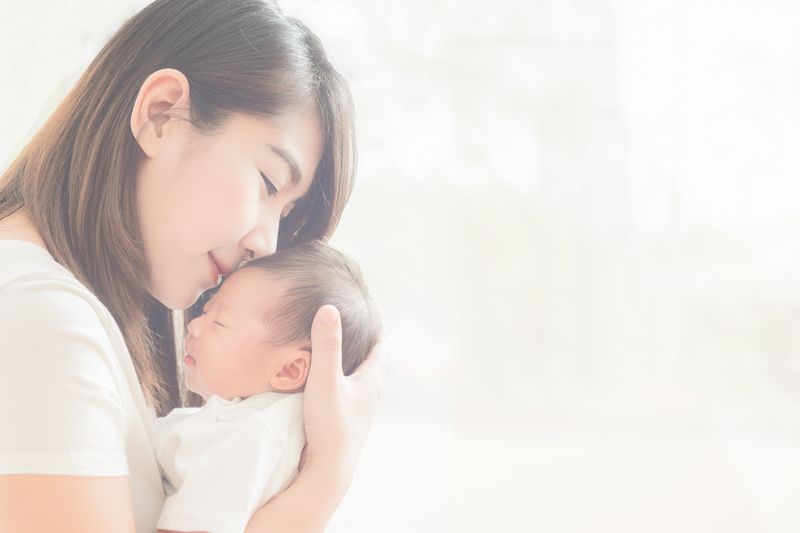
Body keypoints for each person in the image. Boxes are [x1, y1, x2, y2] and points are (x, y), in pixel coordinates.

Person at [0, 0, 387, 532]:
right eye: (269, 183)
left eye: (288, 214)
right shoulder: (39, 316)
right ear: (162, 114)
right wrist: (326, 479)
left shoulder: (60, 308)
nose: (267, 245)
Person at [155, 241, 382, 533]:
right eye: (207, 310)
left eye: (220, 322)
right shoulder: (269, 427)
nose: (195, 326)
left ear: (289, 370)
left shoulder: (249, 435)